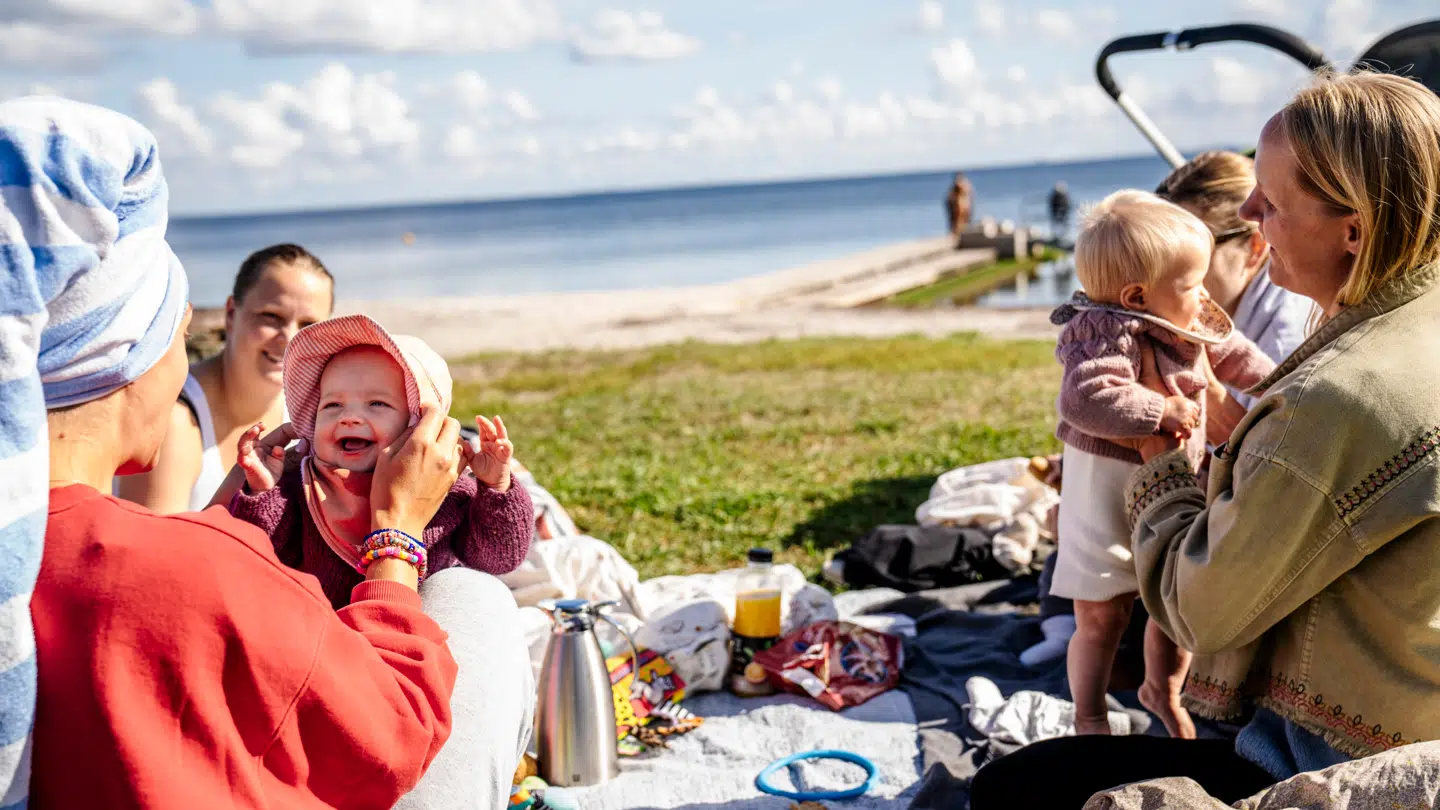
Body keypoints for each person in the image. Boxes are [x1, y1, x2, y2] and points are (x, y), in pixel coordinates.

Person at [7, 97, 534, 809]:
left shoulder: (36, 549)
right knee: (474, 598)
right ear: (129, 360)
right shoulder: (185, 563)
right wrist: (397, 534)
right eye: (175, 326)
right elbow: (388, 737)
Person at [972, 71, 1440, 809]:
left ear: (1353, 228)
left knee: (1009, 790)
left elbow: (1197, 607)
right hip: (1413, 719)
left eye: (1273, 202)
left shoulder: (1337, 398)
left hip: (1326, 762)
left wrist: (1160, 459)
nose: (1252, 215)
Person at [1049, 190, 1274, 740]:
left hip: (1176, 478)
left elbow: (1235, 353)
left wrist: (1283, 382)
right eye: (1192, 285)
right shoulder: (1102, 331)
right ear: (1136, 296)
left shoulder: (1183, 316)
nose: (1203, 296)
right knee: (1102, 612)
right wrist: (1159, 408)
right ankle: (1090, 712)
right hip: (1105, 487)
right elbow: (1083, 398)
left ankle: (1162, 690)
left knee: (1175, 599)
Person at [224, 314, 534, 608]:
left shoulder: (445, 492)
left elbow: (500, 557)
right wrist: (261, 493)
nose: (349, 417)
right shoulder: (301, 489)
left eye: (377, 403)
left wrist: (495, 488)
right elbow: (257, 560)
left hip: (424, 631)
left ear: (419, 425)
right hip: (321, 638)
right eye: (332, 405)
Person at [116, 243, 334, 513]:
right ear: (231, 313)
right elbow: (151, 551)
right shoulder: (177, 418)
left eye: (308, 325)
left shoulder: (317, 412)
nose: (288, 338)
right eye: (271, 316)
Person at [1156, 150, 1312, 408]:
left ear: (1256, 247)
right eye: (1155, 252)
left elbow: (1277, 447)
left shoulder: (1283, 349)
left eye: (1190, 251)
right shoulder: (1233, 321)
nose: (1160, 271)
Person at [945, 171, 974, 236]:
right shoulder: (956, 187)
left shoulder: (965, 184)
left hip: (964, 206)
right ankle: (956, 234)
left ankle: (962, 233)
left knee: (965, 221)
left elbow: (970, 193)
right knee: (956, 222)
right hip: (958, 207)